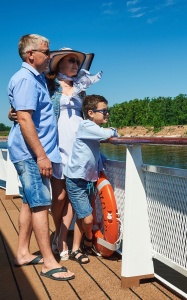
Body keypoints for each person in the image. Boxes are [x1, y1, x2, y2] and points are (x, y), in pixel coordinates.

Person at [7, 34, 74, 280]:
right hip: (31, 153)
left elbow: (23, 114)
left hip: (32, 152)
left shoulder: (35, 80)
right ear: (30, 55)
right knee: (40, 205)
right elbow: (24, 118)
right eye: (46, 52)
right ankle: (49, 262)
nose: (50, 56)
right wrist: (42, 156)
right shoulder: (26, 79)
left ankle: (23, 253)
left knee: (28, 202)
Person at [46, 48, 102, 262]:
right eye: (70, 61)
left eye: (77, 62)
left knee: (73, 196)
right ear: (59, 64)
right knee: (59, 197)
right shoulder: (49, 86)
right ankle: (58, 232)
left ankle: (63, 240)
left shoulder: (81, 88)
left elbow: (90, 115)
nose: (75, 65)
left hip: (79, 149)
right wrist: (12, 113)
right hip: (58, 146)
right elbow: (35, 109)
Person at [64, 94, 118, 263]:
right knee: (87, 218)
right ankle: (88, 240)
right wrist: (114, 131)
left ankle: (76, 250)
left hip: (89, 180)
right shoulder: (86, 125)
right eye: (104, 111)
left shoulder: (90, 128)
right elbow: (106, 134)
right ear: (91, 112)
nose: (107, 114)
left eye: (107, 110)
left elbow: (93, 150)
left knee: (83, 216)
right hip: (76, 180)